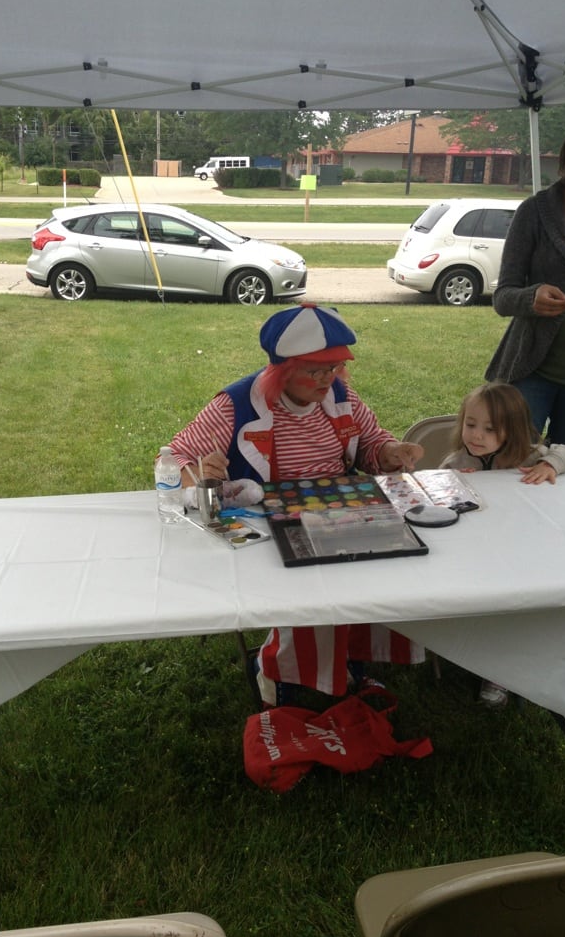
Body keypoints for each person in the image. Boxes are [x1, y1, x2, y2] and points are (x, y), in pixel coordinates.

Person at [168, 303, 426, 707]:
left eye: (335, 367)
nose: (328, 379)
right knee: (311, 590)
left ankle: (350, 661)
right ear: (283, 370)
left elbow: (370, 443)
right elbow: (175, 456)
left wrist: (389, 452)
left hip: (341, 511)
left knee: (384, 568)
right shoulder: (237, 404)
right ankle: (284, 673)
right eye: (315, 370)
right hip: (274, 523)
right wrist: (199, 473)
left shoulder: (340, 395)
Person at [440, 381, 565, 708]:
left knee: (517, 614)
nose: (477, 436)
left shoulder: (531, 455)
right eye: (470, 424)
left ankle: (503, 674)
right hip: (476, 557)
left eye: (490, 429)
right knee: (486, 611)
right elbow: (433, 499)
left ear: (514, 429)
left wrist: (550, 464)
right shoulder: (456, 461)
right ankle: (476, 657)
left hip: (525, 554)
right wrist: (452, 484)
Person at [485, 108, 565, 449]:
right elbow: (503, 296)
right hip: (530, 372)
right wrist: (531, 298)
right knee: (509, 460)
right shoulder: (535, 212)